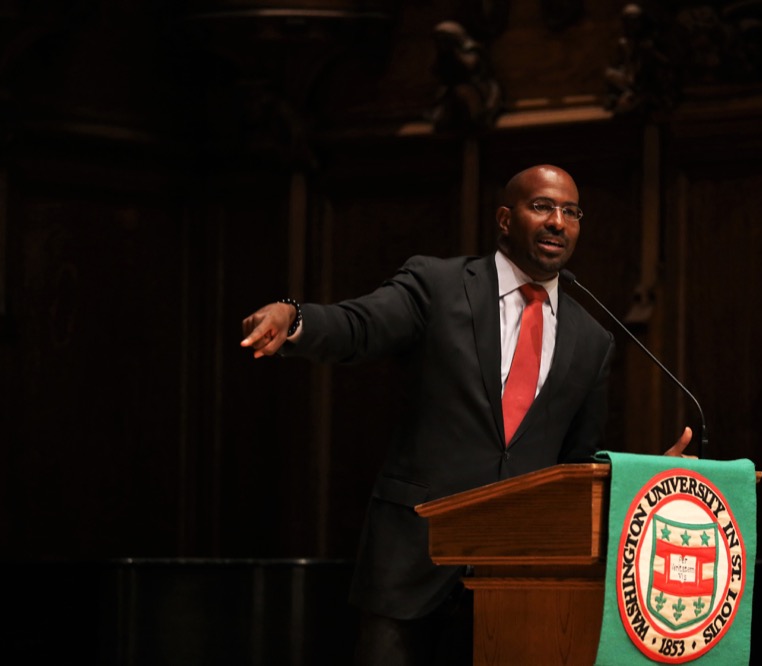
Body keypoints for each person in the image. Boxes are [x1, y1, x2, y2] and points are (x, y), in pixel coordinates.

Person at [240, 164, 692, 665]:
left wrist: (644, 481)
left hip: (516, 581)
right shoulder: (439, 284)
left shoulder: (592, 340)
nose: (558, 222)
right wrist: (295, 316)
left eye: (571, 212)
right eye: (541, 206)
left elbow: (575, 466)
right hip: (412, 564)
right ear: (504, 218)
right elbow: (360, 324)